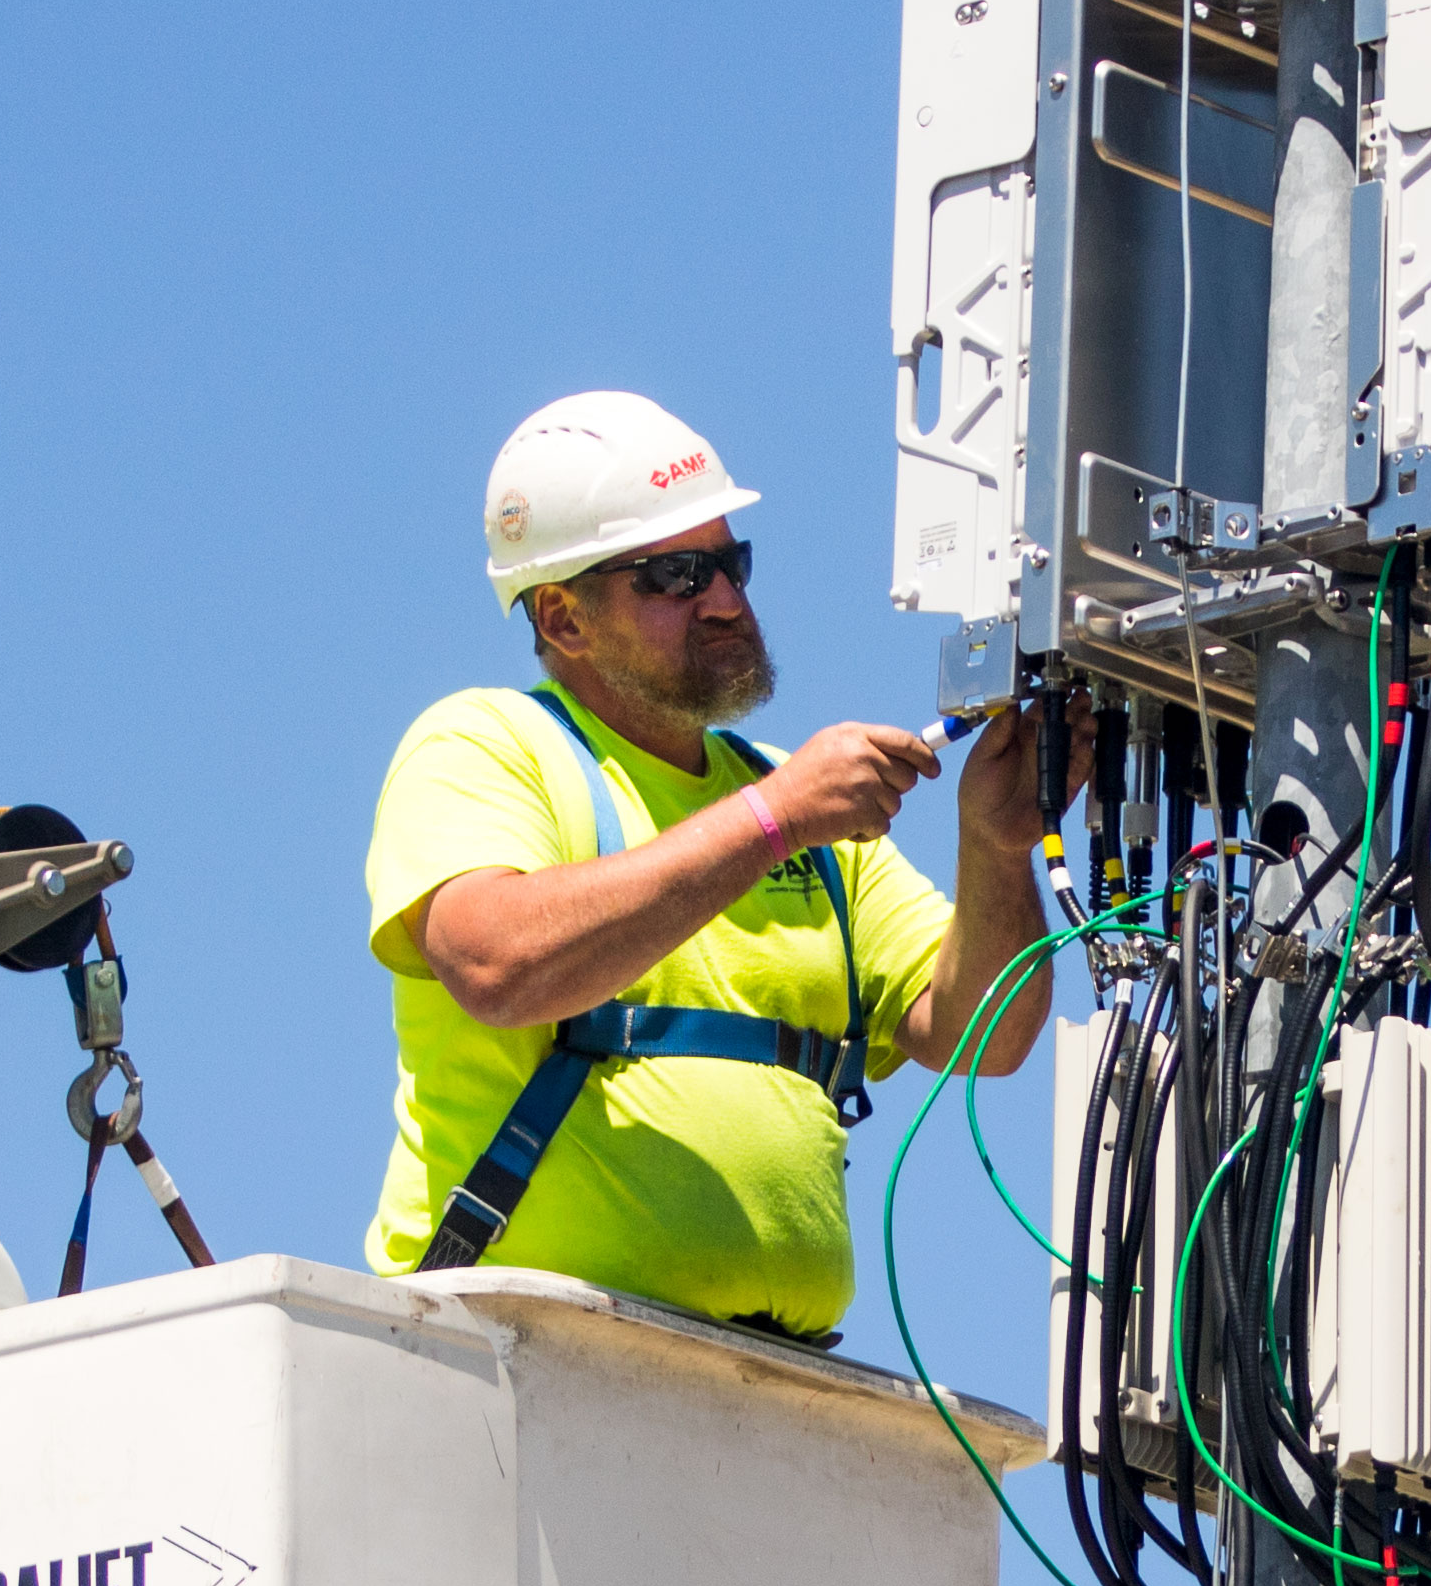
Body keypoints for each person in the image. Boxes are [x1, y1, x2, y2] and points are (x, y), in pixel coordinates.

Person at [365, 389, 1046, 1340]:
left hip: (770, 1383)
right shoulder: (490, 743)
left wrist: (995, 849)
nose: (726, 601)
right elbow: (497, 962)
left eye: (730, 562)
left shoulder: (795, 800)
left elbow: (986, 1035)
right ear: (563, 617)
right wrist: (774, 820)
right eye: (677, 575)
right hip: (518, 1358)